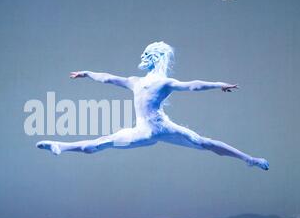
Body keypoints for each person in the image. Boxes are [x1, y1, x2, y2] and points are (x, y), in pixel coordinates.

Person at [37, 42, 269, 171]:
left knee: (204, 143)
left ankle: (249, 159)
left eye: (147, 53)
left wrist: (219, 85)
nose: (142, 56)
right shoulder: (135, 82)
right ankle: (60, 146)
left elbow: (193, 86)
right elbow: (108, 78)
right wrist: (87, 73)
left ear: (156, 58)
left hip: (162, 127)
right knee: (97, 145)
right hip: (144, 131)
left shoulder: (164, 82)